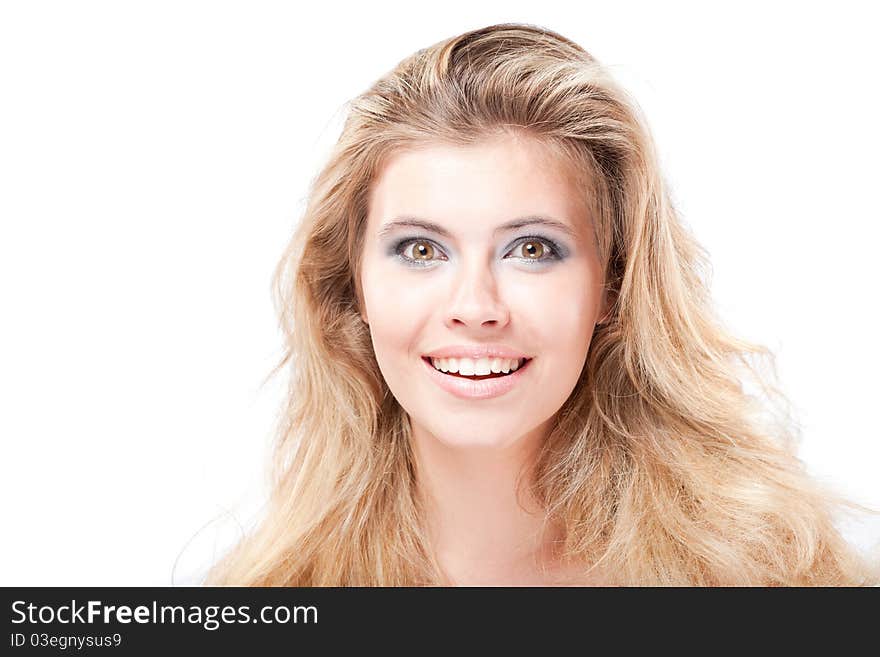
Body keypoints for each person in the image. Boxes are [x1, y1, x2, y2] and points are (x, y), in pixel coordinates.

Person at [206, 22, 879, 586]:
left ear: (613, 284)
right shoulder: (270, 594)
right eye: (420, 250)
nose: (475, 306)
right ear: (352, 285)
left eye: (531, 249)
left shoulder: (767, 585)